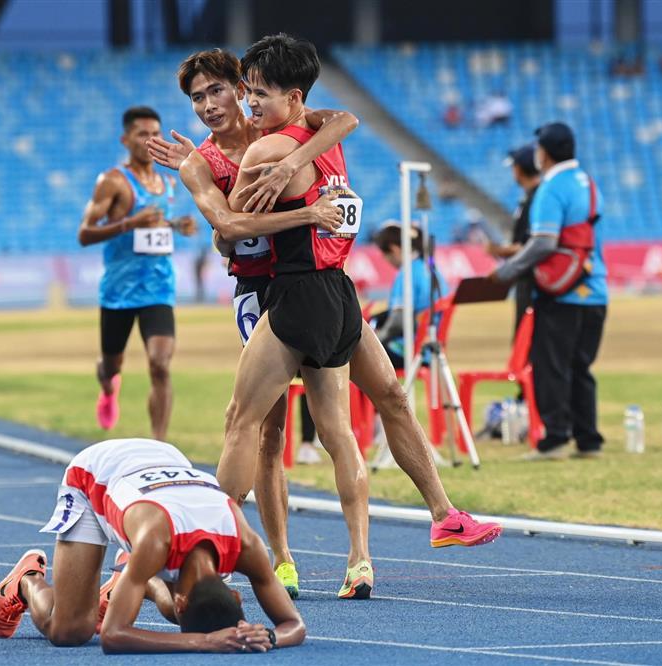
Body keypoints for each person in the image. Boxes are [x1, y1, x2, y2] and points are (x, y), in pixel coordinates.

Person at [155, 42, 501, 599]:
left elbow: (344, 118)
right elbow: (225, 228)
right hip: (271, 291)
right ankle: (290, 559)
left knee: (330, 409)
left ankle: (209, 549)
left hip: (304, 289)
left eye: (226, 90)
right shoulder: (207, 157)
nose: (213, 104)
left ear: (247, 90)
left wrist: (291, 169)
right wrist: (304, 209)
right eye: (199, 98)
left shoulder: (285, 134)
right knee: (276, 429)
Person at [0, 438, 305, 653]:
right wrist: (204, 641)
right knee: (69, 632)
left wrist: (270, 636)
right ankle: (27, 581)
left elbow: (295, 626)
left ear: (234, 593)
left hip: (165, 462)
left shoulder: (246, 542)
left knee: (197, 608)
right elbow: (112, 636)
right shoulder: (158, 540)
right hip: (93, 475)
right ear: (236, 593)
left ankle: (135, 578)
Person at [77, 107, 198, 440]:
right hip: (119, 292)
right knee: (111, 365)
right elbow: (84, 233)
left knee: (160, 364)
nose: (150, 140)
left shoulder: (169, 181)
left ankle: (159, 443)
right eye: (142, 134)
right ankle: (108, 387)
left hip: (158, 288)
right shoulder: (112, 181)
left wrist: (178, 225)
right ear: (126, 139)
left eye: (155, 133)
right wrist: (129, 222)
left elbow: (157, 225)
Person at [490, 122, 607, 461]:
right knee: (581, 366)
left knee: (550, 365)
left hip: (562, 293)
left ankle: (555, 438)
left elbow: (543, 243)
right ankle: (589, 440)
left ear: (544, 153)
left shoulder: (552, 188)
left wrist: (508, 271)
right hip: (595, 287)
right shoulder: (588, 182)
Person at [371, 221, 448, 369]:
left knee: (357, 351)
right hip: (432, 343)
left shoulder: (407, 273)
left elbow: (399, 322)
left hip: (414, 347)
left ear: (394, 249)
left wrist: (375, 339)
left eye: (385, 255)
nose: (386, 261)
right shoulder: (430, 269)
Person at [485, 144, 542, 334]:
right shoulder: (536, 197)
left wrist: (499, 251)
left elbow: (531, 245)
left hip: (532, 280)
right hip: (534, 279)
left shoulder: (536, 199)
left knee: (526, 338)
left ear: (518, 169)